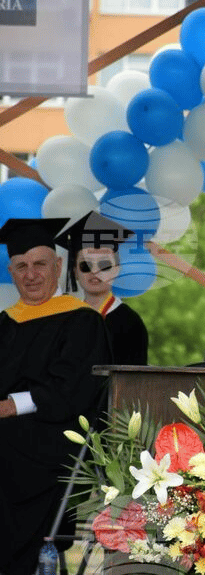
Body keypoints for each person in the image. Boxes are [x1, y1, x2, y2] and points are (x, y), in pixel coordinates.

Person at [0, 218, 111, 575]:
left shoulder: (82, 321)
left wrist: (10, 405)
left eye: (39, 264)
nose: (30, 274)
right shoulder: (4, 323)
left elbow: (73, 391)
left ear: (58, 266)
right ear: (11, 271)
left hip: (53, 440)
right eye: (21, 266)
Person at [56, 211, 148, 365]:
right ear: (75, 272)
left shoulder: (130, 323)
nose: (95, 272)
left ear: (116, 269)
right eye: (85, 265)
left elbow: (134, 382)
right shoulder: (67, 321)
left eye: (104, 265)